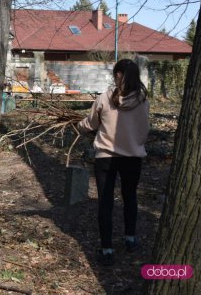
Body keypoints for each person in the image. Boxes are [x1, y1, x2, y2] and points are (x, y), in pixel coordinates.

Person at [77, 59, 149, 266]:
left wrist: (77, 125)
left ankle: (107, 248)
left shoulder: (104, 98)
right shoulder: (143, 100)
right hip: (133, 158)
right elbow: (144, 130)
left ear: (117, 75)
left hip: (106, 158)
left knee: (105, 202)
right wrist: (134, 143)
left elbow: (90, 124)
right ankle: (130, 238)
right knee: (130, 197)